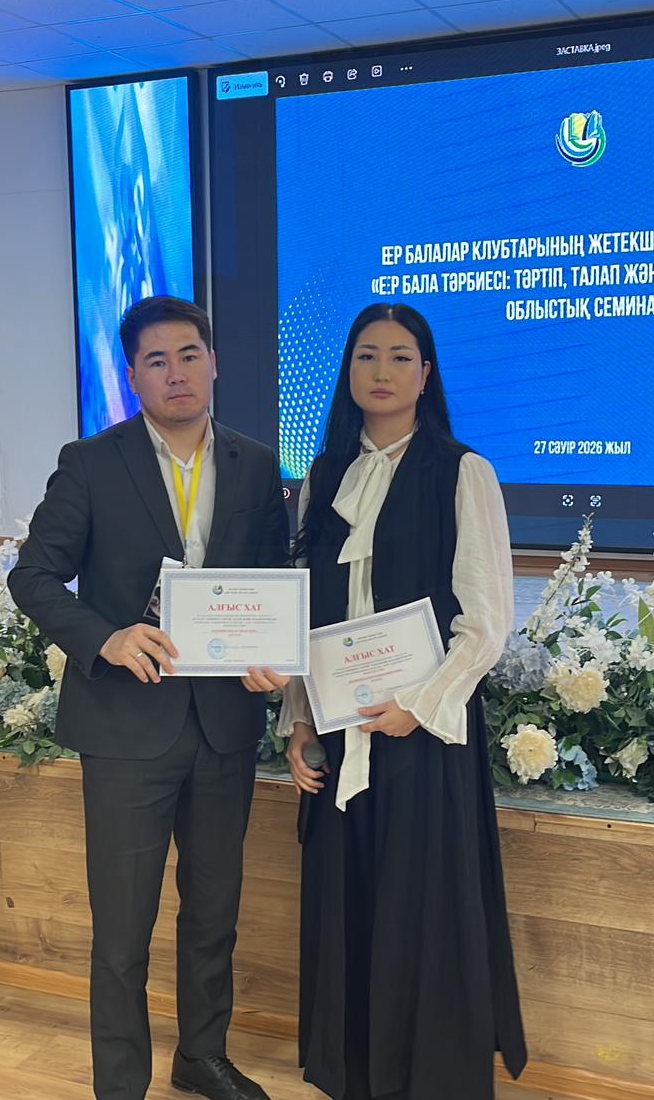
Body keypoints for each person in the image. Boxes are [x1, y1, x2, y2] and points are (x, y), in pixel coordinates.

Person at [8, 296, 290, 1100]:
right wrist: (105, 638)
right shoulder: (92, 462)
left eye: (189, 355)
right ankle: (121, 1083)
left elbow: (273, 580)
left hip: (224, 725)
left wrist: (273, 653)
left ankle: (202, 1056)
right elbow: (32, 575)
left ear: (214, 363)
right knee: (123, 929)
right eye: (156, 361)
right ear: (133, 377)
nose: (176, 373)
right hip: (127, 728)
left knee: (214, 913)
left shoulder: (255, 464)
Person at [279, 302, 527, 1100]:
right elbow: (309, 615)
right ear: (347, 372)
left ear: (426, 374)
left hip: (423, 731)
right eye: (365, 355)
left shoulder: (463, 471)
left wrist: (419, 704)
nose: (380, 371)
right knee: (347, 900)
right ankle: (354, 1070)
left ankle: (427, 1079)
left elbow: (485, 621)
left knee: (422, 909)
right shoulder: (323, 476)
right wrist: (300, 721)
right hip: (340, 730)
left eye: (399, 356)